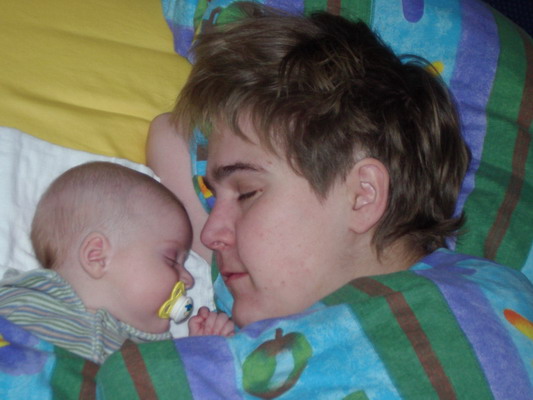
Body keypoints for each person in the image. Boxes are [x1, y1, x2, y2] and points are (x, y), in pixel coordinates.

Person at [99, 4, 533, 398]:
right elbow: (171, 133)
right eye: (214, 196)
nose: (211, 233)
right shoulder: (251, 321)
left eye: (247, 193)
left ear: (362, 195)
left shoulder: (479, 307)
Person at [0, 161, 234, 364]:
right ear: (97, 257)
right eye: (172, 260)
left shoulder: (154, 356)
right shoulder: (21, 300)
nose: (188, 279)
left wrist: (198, 351)